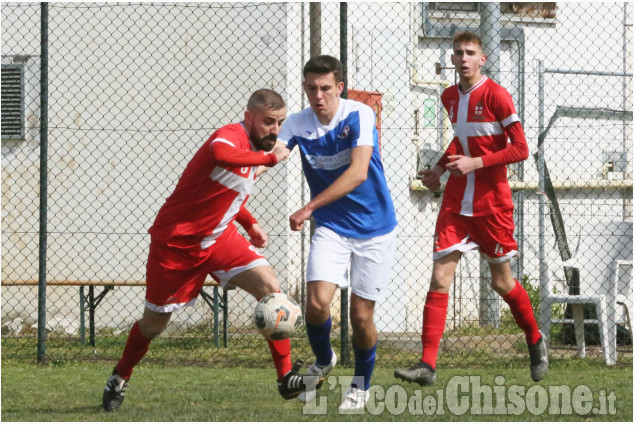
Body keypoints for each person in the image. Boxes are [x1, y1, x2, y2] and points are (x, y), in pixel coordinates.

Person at [102, 89, 320, 412]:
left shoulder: (255, 151)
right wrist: (270, 157)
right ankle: (120, 376)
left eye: (280, 123)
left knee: (270, 288)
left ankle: (285, 377)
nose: (274, 131)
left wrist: (250, 224)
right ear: (249, 118)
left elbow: (227, 191)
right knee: (153, 324)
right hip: (177, 245)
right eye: (267, 122)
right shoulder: (230, 136)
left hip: (220, 239)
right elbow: (220, 156)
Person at [394, 31, 548, 386]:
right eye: (458, 52)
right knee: (439, 278)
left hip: (492, 204)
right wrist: (439, 168)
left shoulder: (497, 95)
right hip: (456, 202)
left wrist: (476, 162)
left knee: (501, 282)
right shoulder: (449, 96)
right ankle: (427, 365)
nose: (463, 58)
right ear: (452, 58)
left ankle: (534, 338)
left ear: (483, 59)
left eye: (470, 52)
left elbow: (521, 149)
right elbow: (461, 141)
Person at [278, 55, 398, 412]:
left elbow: (359, 172)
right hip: (332, 226)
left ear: (339, 88)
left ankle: (361, 385)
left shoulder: (358, 113)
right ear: (304, 87)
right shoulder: (297, 123)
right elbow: (276, 153)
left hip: (375, 227)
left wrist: (309, 207)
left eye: (326, 88)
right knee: (315, 304)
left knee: (361, 317)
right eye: (312, 88)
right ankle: (324, 358)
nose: (319, 95)